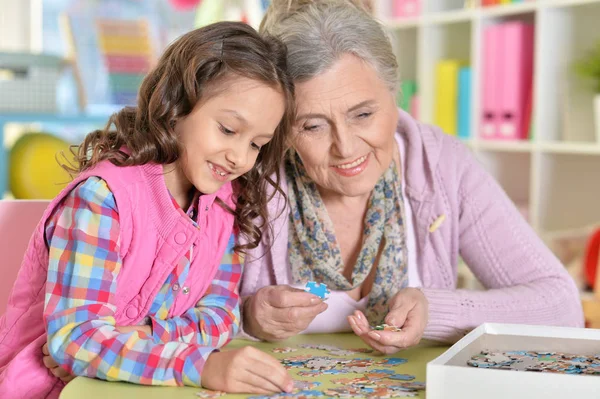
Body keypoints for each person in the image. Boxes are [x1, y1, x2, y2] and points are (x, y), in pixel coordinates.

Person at [239, 0, 584, 353]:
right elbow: (184, 314)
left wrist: (434, 309)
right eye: (312, 125)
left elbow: (561, 307)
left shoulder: (442, 166)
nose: (344, 146)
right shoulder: (246, 170)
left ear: (395, 94)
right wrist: (248, 316)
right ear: (283, 125)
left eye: (363, 115)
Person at [0, 21, 295, 398]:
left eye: (257, 144)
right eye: (227, 129)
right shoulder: (103, 199)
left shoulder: (224, 203)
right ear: (178, 107)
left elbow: (223, 315)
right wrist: (200, 364)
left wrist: (142, 336)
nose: (239, 157)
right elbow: (76, 339)